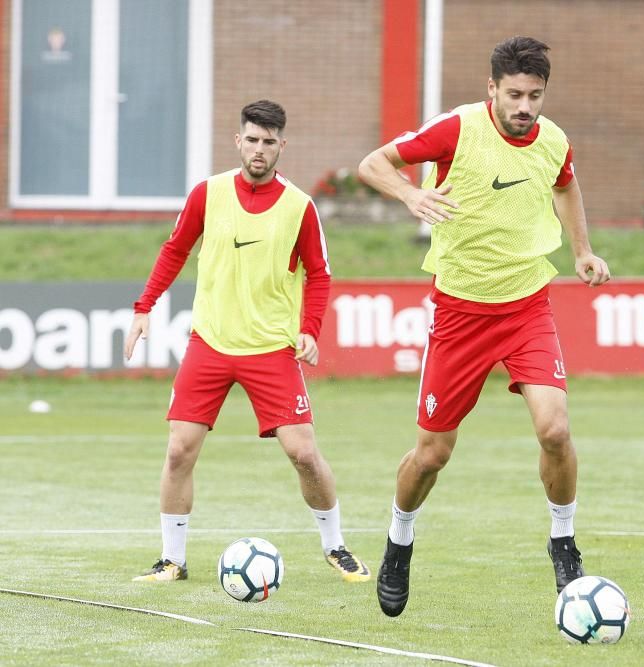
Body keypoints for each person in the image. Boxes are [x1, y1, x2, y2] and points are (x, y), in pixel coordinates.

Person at [358, 36, 611, 617]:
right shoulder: (455, 130)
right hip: (460, 313)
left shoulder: (553, 141)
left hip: (526, 306)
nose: (525, 106)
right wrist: (408, 196)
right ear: (491, 88)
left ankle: (564, 541)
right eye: (515, 94)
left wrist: (582, 252)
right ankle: (399, 543)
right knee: (432, 455)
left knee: (555, 430)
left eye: (535, 95)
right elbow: (373, 164)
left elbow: (566, 185)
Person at [125, 99, 369, 585]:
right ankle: (172, 559)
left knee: (303, 453)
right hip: (210, 344)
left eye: (269, 142)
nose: (260, 150)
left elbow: (319, 275)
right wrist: (144, 307)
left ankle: (335, 546)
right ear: (238, 141)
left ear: (282, 145)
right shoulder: (207, 194)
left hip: (272, 349)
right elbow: (175, 250)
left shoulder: (300, 205)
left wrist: (309, 330)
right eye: (252, 140)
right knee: (179, 451)